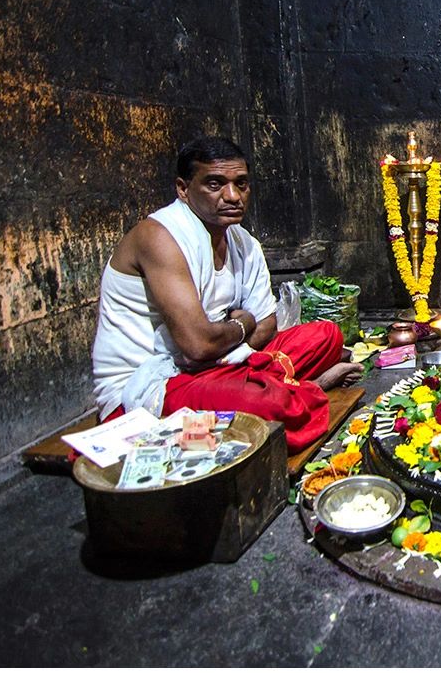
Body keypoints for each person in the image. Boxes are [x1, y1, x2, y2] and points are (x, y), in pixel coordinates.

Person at [91, 136, 362, 452]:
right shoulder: (161, 237)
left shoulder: (242, 241)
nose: (232, 196)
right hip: (152, 387)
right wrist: (242, 325)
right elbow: (197, 345)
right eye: (215, 184)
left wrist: (231, 338)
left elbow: (267, 325)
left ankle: (276, 388)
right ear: (183, 188)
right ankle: (309, 388)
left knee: (326, 335)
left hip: (221, 361)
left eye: (241, 184)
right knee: (272, 405)